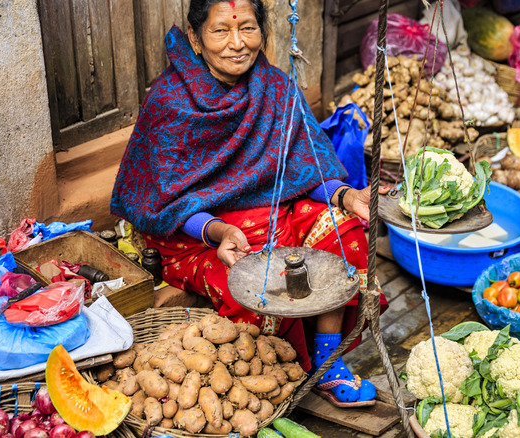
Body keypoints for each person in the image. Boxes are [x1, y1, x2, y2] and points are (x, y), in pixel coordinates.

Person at [111, 0, 388, 406]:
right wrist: (219, 231)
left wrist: (346, 196)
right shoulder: (169, 102)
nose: (237, 44)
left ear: (262, 32)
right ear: (195, 37)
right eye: (221, 30)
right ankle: (282, 369)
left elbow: (303, 166)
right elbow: (165, 200)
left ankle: (327, 359)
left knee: (344, 233)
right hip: (199, 236)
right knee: (256, 280)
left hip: (276, 209)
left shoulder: (275, 88)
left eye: (248, 29)